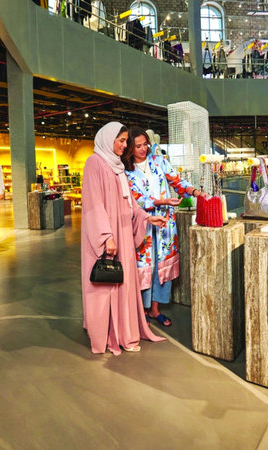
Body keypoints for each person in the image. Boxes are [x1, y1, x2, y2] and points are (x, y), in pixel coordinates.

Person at [81, 122, 168, 355]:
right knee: (105, 285)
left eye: (125, 141)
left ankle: (125, 331)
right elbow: (93, 204)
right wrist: (106, 237)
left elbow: (129, 202)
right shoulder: (95, 163)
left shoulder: (118, 166)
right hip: (109, 234)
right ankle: (107, 332)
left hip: (124, 234)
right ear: (108, 139)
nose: (124, 145)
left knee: (124, 283)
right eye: (121, 141)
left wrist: (147, 218)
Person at [122, 127, 207, 327]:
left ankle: (155, 309)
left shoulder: (158, 161)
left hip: (165, 223)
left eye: (145, 144)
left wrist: (195, 192)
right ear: (130, 148)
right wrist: (161, 201)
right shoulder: (125, 171)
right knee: (144, 267)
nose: (143, 149)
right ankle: (141, 310)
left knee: (163, 265)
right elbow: (135, 199)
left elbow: (176, 181)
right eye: (138, 146)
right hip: (142, 223)